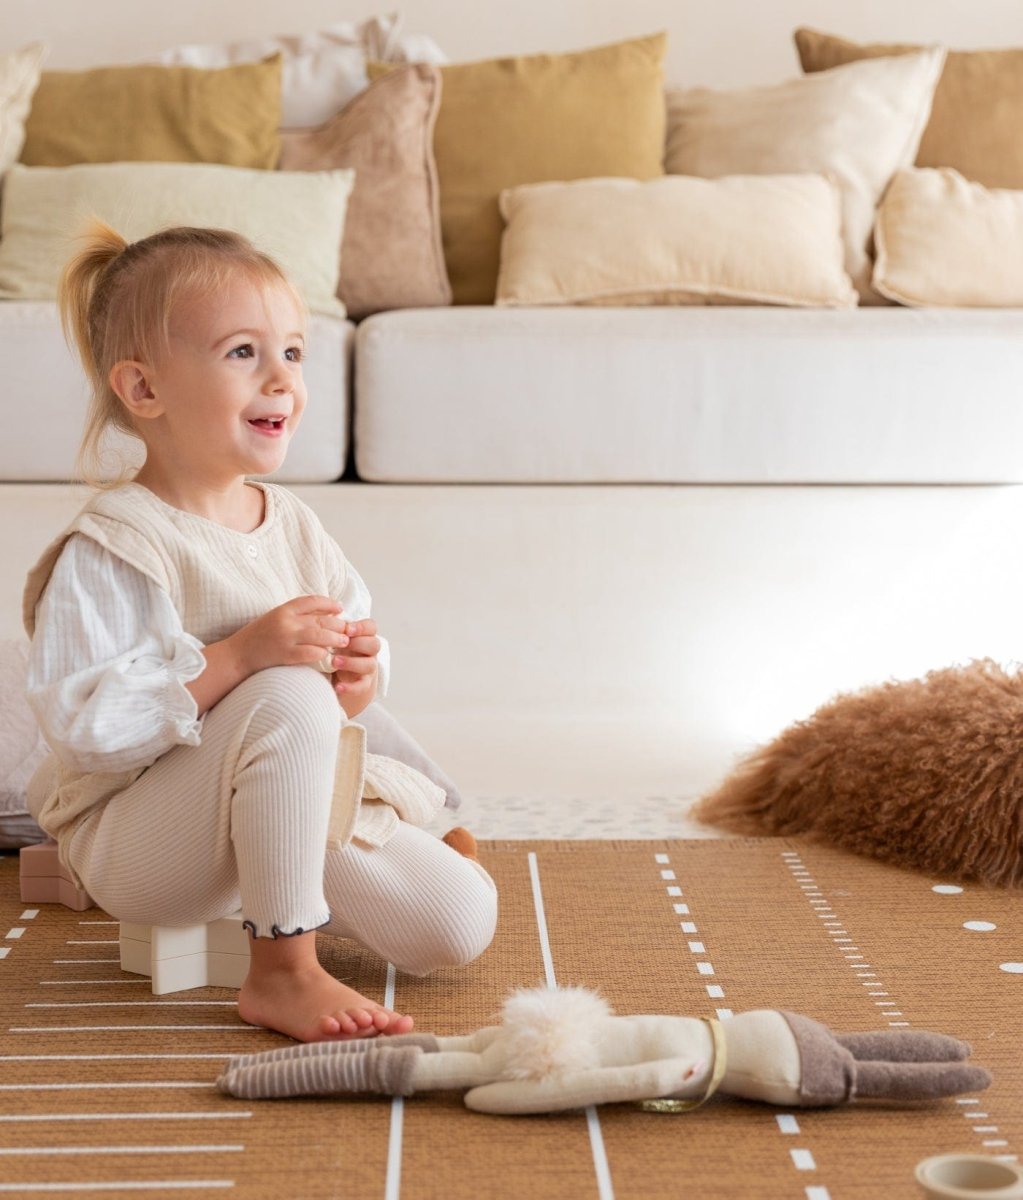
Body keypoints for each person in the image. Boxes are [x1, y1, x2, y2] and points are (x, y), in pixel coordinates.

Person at [22, 223, 498, 1043]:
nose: (281, 377)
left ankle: (287, 885)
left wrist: (360, 671)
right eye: (244, 352)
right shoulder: (116, 544)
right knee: (280, 689)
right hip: (146, 844)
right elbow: (84, 729)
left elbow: (355, 636)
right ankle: (283, 969)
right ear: (143, 389)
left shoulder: (295, 526)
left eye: (293, 352)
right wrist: (241, 658)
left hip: (275, 795)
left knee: (459, 922)